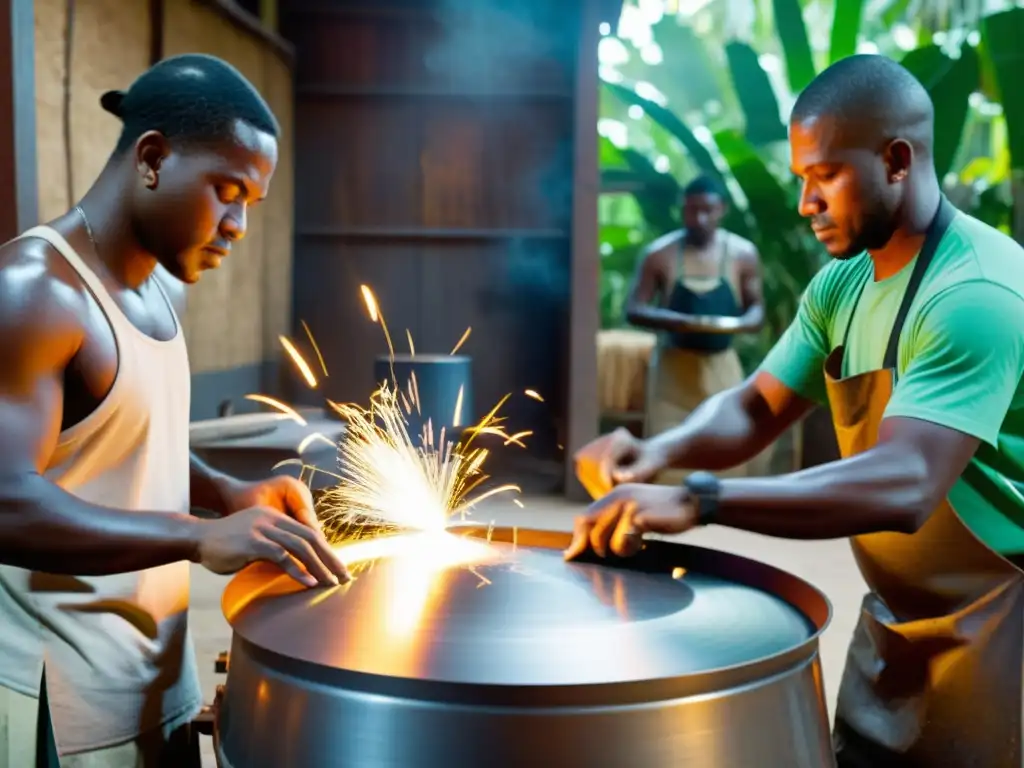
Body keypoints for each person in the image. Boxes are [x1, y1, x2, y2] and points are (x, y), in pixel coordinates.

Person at [569, 53, 1024, 768]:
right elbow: (754, 406)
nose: (806, 202)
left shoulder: (976, 294)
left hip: (1004, 624)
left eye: (824, 177)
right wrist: (657, 453)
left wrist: (700, 498)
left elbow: (907, 482)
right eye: (802, 179)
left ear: (897, 160)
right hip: (897, 614)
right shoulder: (841, 285)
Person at [0, 54, 350, 768]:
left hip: (158, 674)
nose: (238, 224)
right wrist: (197, 536)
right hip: (60, 704)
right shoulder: (34, 293)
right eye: (227, 191)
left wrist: (228, 493)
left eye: (251, 201)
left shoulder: (165, 290)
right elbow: (7, 500)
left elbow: (127, 440)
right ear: (153, 158)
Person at [625, 175, 767, 482]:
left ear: (722, 210)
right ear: (682, 210)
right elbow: (634, 309)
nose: (699, 219)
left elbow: (757, 311)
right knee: (666, 463)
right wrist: (677, 321)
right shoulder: (659, 254)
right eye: (691, 210)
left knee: (726, 458)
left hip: (721, 372)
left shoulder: (742, 254)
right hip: (673, 374)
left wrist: (734, 324)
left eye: (707, 210)